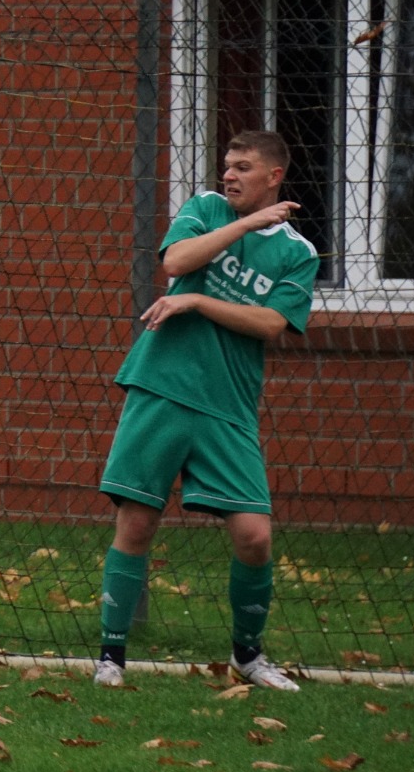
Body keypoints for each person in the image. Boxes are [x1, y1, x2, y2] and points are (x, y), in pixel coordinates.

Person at [95, 130, 318, 690]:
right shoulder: (205, 210)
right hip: (162, 387)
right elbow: (176, 260)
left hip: (228, 406)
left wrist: (197, 300)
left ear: (274, 177)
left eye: (243, 167)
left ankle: (248, 655)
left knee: (254, 536)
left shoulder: (298, 253)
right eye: (228, 165)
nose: (230, 175)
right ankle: (111, 658)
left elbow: (271, 323)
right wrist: (243, 225)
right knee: (137, 522)